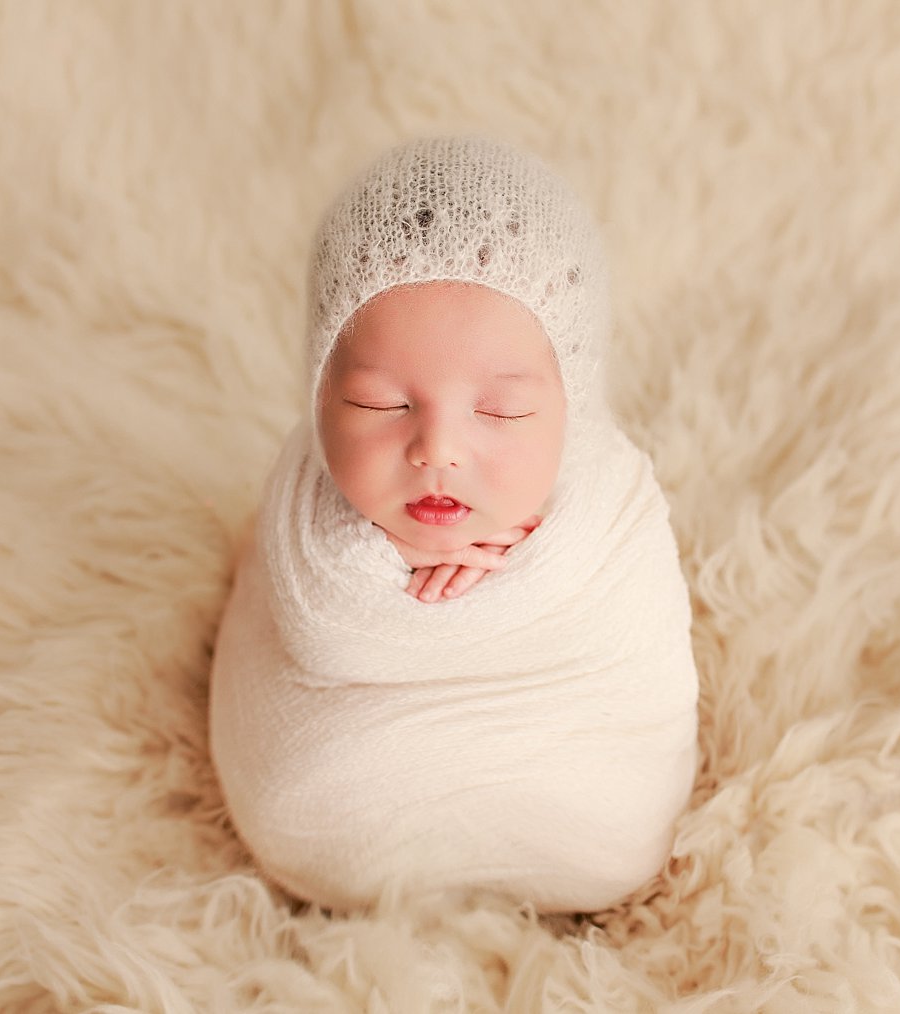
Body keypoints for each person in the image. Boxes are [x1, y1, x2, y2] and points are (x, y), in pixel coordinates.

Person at [209, 135, 699, 913]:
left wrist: (547, 559)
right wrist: (373, 570)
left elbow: (637, 666)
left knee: (614, 803)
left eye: (501, 411)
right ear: (317, 392)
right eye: (380, 403)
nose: (436, 449)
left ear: (572, 403)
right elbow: (316, 622)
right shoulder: (304, 512)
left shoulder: (612, 511)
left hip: (589, 832)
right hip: (336, 836)